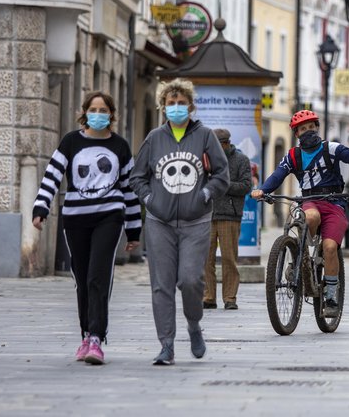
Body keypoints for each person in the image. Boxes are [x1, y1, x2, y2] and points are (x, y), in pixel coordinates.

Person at [250, 110, 349, 317]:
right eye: (303, 129)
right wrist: (263, 190)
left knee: (330, 246)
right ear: (297, 133)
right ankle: (298, 260)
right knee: (311, 217)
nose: (308, 131)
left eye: (311, 127)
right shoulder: (293, 155)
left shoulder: (331, 149)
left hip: (334, 202)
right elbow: (277, 175)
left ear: (317, 127)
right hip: (309, 201)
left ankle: (331, 296)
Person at [32, 91, 142, 365]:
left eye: (104, 109)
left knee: (97, 276)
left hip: (109, 216)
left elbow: (129, 189)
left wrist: (134, 229)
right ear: (85, 112)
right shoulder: (71, 142)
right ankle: (85, 334)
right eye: (94, 109)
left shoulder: (120, 146)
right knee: (82, 279)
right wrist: (41, 208)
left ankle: (96, 337)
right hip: (76, 218)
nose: (99, 114)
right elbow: (52, 175)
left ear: (111, 114)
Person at [129, 79, 229, 366]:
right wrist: (149, 200)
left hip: (195, 220)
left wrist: (206, 193)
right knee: (161, 285)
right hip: (159, 222)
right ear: (163, 108)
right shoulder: (154, 138)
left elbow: (222, 174)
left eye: (180, 102)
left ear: (191, 105)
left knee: (190, 279)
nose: (176, 107)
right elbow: (137, 177)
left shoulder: (205, 136)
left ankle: (194, 325)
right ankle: (167, 345)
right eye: (170, 103)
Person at [203, 128, 252, 310]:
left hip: (230, 216)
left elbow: (246, 186)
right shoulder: (205, 160)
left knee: (229, 258)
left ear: (225, 144)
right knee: (204, 259)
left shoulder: (241, 160)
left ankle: (230, 298)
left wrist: (222, 185)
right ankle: (208, 297)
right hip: (206, 215)